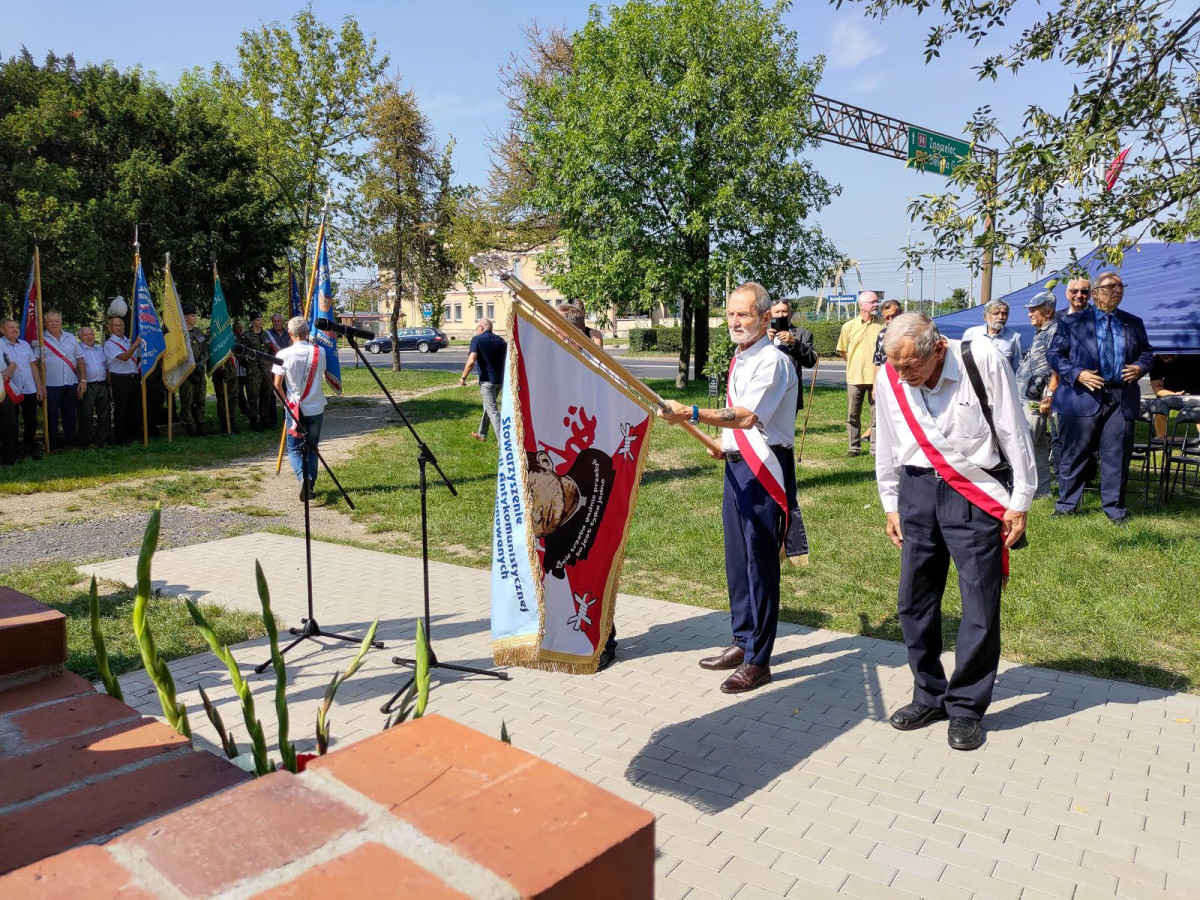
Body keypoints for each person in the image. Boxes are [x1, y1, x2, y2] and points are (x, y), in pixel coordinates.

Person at [875, 312, 1035, 751]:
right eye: (896, 365)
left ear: (938, 348)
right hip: (916, 491)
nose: (902, 375)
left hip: (974, 493)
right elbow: (886, 440)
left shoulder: (981, 359)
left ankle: (966, 707)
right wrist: (890, 501)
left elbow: (1013, 428)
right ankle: (928, 694)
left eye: (911, 365)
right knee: (914, 601)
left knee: (979, 603)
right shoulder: (891, 373)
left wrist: (1021, 500)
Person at [660, 282, 799, 694]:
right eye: (731, 314)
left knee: (760, 565)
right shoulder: (741, 357)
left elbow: (747, 416)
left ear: (765, 316)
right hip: (738, 466)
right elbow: (736, 425)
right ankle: (742, 640)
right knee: (738, 561)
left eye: (743, 314)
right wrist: (724, 445)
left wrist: (692, 412)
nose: (734, 321)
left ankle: (759, 659)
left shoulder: (773, 361)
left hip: (765, 469)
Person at [1048, 272, 1154, 524]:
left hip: (1121, 396)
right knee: (1075, 453)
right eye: (1111, 286)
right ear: (1095, 293)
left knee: (1116, 454)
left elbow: (1147, 353)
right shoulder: (1072, 322)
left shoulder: (1133, 322)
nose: (1118, 289)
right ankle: (1066, 506)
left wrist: (1140, 367)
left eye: (1121, 285)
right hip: (1081, 395)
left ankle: (1115, 510)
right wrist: (1078, 373)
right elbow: (1054, 354)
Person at [273, 316, 327, 499]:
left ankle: (303, 477)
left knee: (294, 448)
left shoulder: (283, 355)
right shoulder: (320, 352)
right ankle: (310, 486)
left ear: (290, 334)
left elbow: (277, 386)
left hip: (294, 407)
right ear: (307, 332)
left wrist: (286, 404)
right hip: (316, 406)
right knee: (312, 447)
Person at [1014, 291, 1059, 498]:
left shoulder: (1053, 331)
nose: (1029, 314)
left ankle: (1018, 490)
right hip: (1028, 396)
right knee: (1038, 445)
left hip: (1037, 398)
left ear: (1048, 312)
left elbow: (1056, 366)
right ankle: (1042, 491)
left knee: (1023, 444)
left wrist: (1049, 396)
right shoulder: (1041, 331)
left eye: (1034, 310)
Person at [836, 291, 882, 457]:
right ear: (862, 305)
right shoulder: (848, 326)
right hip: (855, 377)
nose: (876, 304)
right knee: (853, 414)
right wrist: (855, 362)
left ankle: (875, 449)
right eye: (872, 302)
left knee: (877, 415)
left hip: (876, 377)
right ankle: (854, 447)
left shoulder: (882, 324)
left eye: (877, 301)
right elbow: (842, 350)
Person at [38, 310, 85, 450]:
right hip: (50, 385)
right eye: (50, 321)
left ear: (61, 322)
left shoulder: (70, 338)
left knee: (70, 415)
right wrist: (40, 384)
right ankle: (52, 445)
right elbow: (35, 363)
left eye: (57, 321)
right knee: (51, 416)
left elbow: (80, 358)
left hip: (70, 383)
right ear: (45, 323)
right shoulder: (40, 339)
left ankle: (70, 443)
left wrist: (83, 379)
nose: (54, 324)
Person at [1, 317, 44, 458]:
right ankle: (14, 451)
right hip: (11, 391)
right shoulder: (1, 346)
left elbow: (33, 366)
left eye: (16, 327)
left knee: (31, 421)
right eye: (10, 327)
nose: (15, 329)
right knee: (11, 423)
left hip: (29, 389)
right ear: (2, 330)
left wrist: (39, 387)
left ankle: (29, 448)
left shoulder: (25, 345)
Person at [459, 318, 507, 442]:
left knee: (492, 410)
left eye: (477, 328)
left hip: (487, 381)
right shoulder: (501, 341)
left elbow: (471, 361)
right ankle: (482, 434)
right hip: (500, 381)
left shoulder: (477, 339)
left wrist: (463, 377)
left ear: (481, 327)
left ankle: (503, 442)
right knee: (488, 407)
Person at [767, 299, 817, 413]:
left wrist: (794, 343)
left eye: (784, 311)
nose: (781, 315)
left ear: (791, 313)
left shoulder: (803, 334)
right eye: (777, 312)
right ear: (770, 315)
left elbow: (811, 361)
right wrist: (764, 341)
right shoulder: (761, 334)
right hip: (766, 390)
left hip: (790, 391)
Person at [104, 312, 142, 445]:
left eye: (121, 325)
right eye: (116, 325)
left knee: (134, 407)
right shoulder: (110, 344)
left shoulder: (128, 340)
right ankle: (121, 438)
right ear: (110, 328)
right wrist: (135, 345)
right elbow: (125, 357)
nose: (119, 328)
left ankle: (134, 435)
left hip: (133, 377)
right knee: (122, 409)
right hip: (120, 379)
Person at [962, 299, 1023, 372]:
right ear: (985, 317)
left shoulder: (1014, 337)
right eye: (996, 313)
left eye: (1004, 314)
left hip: (1001, 379)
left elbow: (1017, 368)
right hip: (975, 378)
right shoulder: (971, 334)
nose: (1001, 317)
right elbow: (961, 361)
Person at [76, 326, 111, 447]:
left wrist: (109, 384)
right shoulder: (78, 350)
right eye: (85, 335)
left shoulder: (100, 349)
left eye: (91, 334)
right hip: (87, 386)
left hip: (102, 384)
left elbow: (107, 367)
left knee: (104, 414)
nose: (89, 337)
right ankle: (87, 442)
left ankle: (103, 440)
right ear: (79, 337)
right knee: (86, 415)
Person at [178, 305, 208, 437]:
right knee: (187, 401)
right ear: (185, 317)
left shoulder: (199, 332)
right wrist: (189, 372)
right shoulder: (180, 334)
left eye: (195, 316)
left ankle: (201, 425)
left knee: (200, 399)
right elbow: (178, 355)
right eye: (192, 316)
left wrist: (201, 365)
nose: (195, 318)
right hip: (186, 373)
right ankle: (189, 425)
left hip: (199, 371)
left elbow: (206, 351)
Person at [242, 311, 275, 431]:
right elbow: (241, 353)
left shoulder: (266, 335)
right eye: (257, 320)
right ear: (252, 322)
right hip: (253, 371)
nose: (260, 322)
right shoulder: (246, 336)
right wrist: (249, 365)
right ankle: (253, 421)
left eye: (261, 320)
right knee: (253, 395)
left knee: (266, 394)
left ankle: (264, 419)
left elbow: (271, 350)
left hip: (266, 369)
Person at [265, 313, 290, 427]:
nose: (277, 323)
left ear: (282, 321)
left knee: (287, 393)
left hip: (288, 368)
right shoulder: (267, 335)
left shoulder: (289, 334)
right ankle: (273, 421)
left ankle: (288, 417)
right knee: (272, 394)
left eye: (279, 321)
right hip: (273, 369)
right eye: (274, 321)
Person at [872, 299, 903, 381]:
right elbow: (877, 363)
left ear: (900, 314)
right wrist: (875, 385)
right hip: (885, 381)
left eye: (894, 316)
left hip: (904, 381)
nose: (891, 321)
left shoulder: (911, 333)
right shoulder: (882, 335)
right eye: (887, 318)